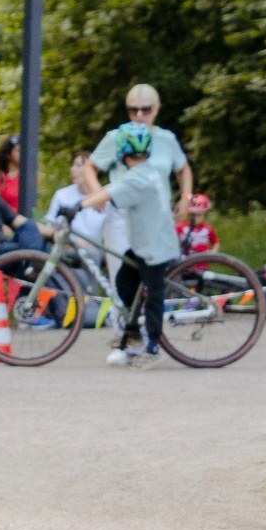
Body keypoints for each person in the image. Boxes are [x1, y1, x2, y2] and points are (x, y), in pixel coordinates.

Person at [82, 123, 187, 367]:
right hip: (143, 243)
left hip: (155, 247)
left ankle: (153, 347)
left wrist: (80, 206)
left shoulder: (138, 178)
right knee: (125, 284)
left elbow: (110, 193)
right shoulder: (146, 171)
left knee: (153, 296)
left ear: (121, 153)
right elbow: (112, 189)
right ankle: (131, 335)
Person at [86, 84, 194, 239]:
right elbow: (90, 166)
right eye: (133, 110)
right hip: (122, 216)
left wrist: (186, 198)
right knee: (122, 263)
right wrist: (96, 190)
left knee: (162, 262)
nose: (139, 115)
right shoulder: (117, 137)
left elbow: (182, 169)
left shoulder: (166, 139)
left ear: (156, 109)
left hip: (157, 215)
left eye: (146, 109)